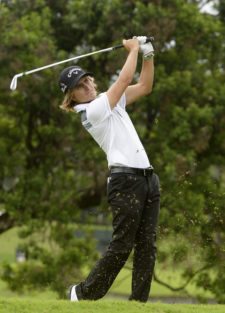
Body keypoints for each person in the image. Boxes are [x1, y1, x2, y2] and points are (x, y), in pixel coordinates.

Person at [58, 36, 160, 302]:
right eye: (80, 86)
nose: (88, 86)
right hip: (124, 181)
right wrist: (134, 49)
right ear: (71, 97)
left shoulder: (110, 101)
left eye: (87, 80)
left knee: (147, 246)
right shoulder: (92, 112)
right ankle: (82, 293)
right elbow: (124, 80)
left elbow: (146, 86)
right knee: (122, 245)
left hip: (149, 179)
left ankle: (138, 303)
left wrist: (148, 55)